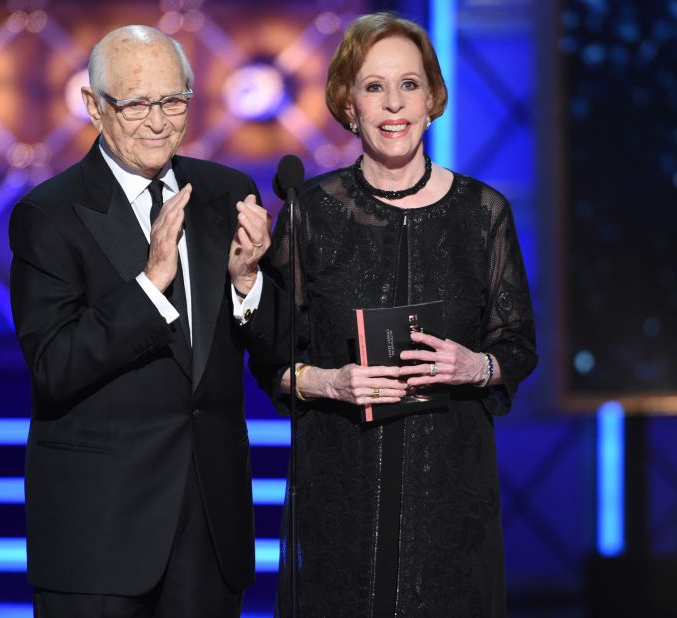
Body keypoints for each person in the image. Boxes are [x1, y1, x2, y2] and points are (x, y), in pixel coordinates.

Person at [8, 25, 285, 617]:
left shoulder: (226, 192)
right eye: (136, 103)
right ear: (94, 106)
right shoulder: (49, 215)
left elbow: (275, 353)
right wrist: (150, 286)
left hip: (210, 528)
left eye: (173, 101)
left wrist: (248, 283)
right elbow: (54, 367)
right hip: (99, 535)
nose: (158, 121)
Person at [267, 13, 538, 617]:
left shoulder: (483, 212)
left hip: (451, 499)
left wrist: (477, 366)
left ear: (434, 97)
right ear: (347, 103)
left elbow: (518, 347)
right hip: (342, 494)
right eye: (373, 86)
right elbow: (273, 362)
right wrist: (330, 381)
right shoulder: (309, 212)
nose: (394, 104)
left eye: (409, 85)